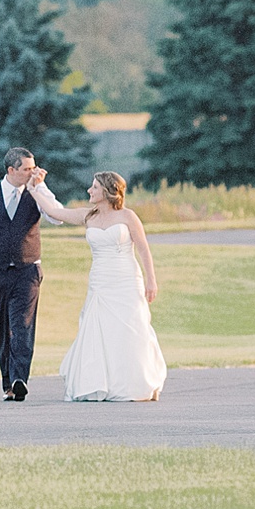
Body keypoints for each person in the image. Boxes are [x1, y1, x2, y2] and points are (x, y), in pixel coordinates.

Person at [0, 148, 88, 401]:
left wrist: (40, 188)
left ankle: (20, 379)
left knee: (23, 326)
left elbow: (57, 217)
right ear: (11, 170)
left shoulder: (37, 192)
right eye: (27, 169)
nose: (34, 172)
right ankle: (8, 384)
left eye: (34, 167)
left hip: (27, 270)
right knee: (2, 329)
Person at [57, 170, 168, 401]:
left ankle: (134, 384)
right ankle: (98, 383)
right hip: (100, 281)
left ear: (107, 192)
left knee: (131, 328)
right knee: (100, 330)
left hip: (126, 278)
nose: (90, 190)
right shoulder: (89, 216)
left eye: (94, 187)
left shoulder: (128, 216)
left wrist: (151, 280)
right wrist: (35, 188)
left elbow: (143, 248)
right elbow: (56, 211)